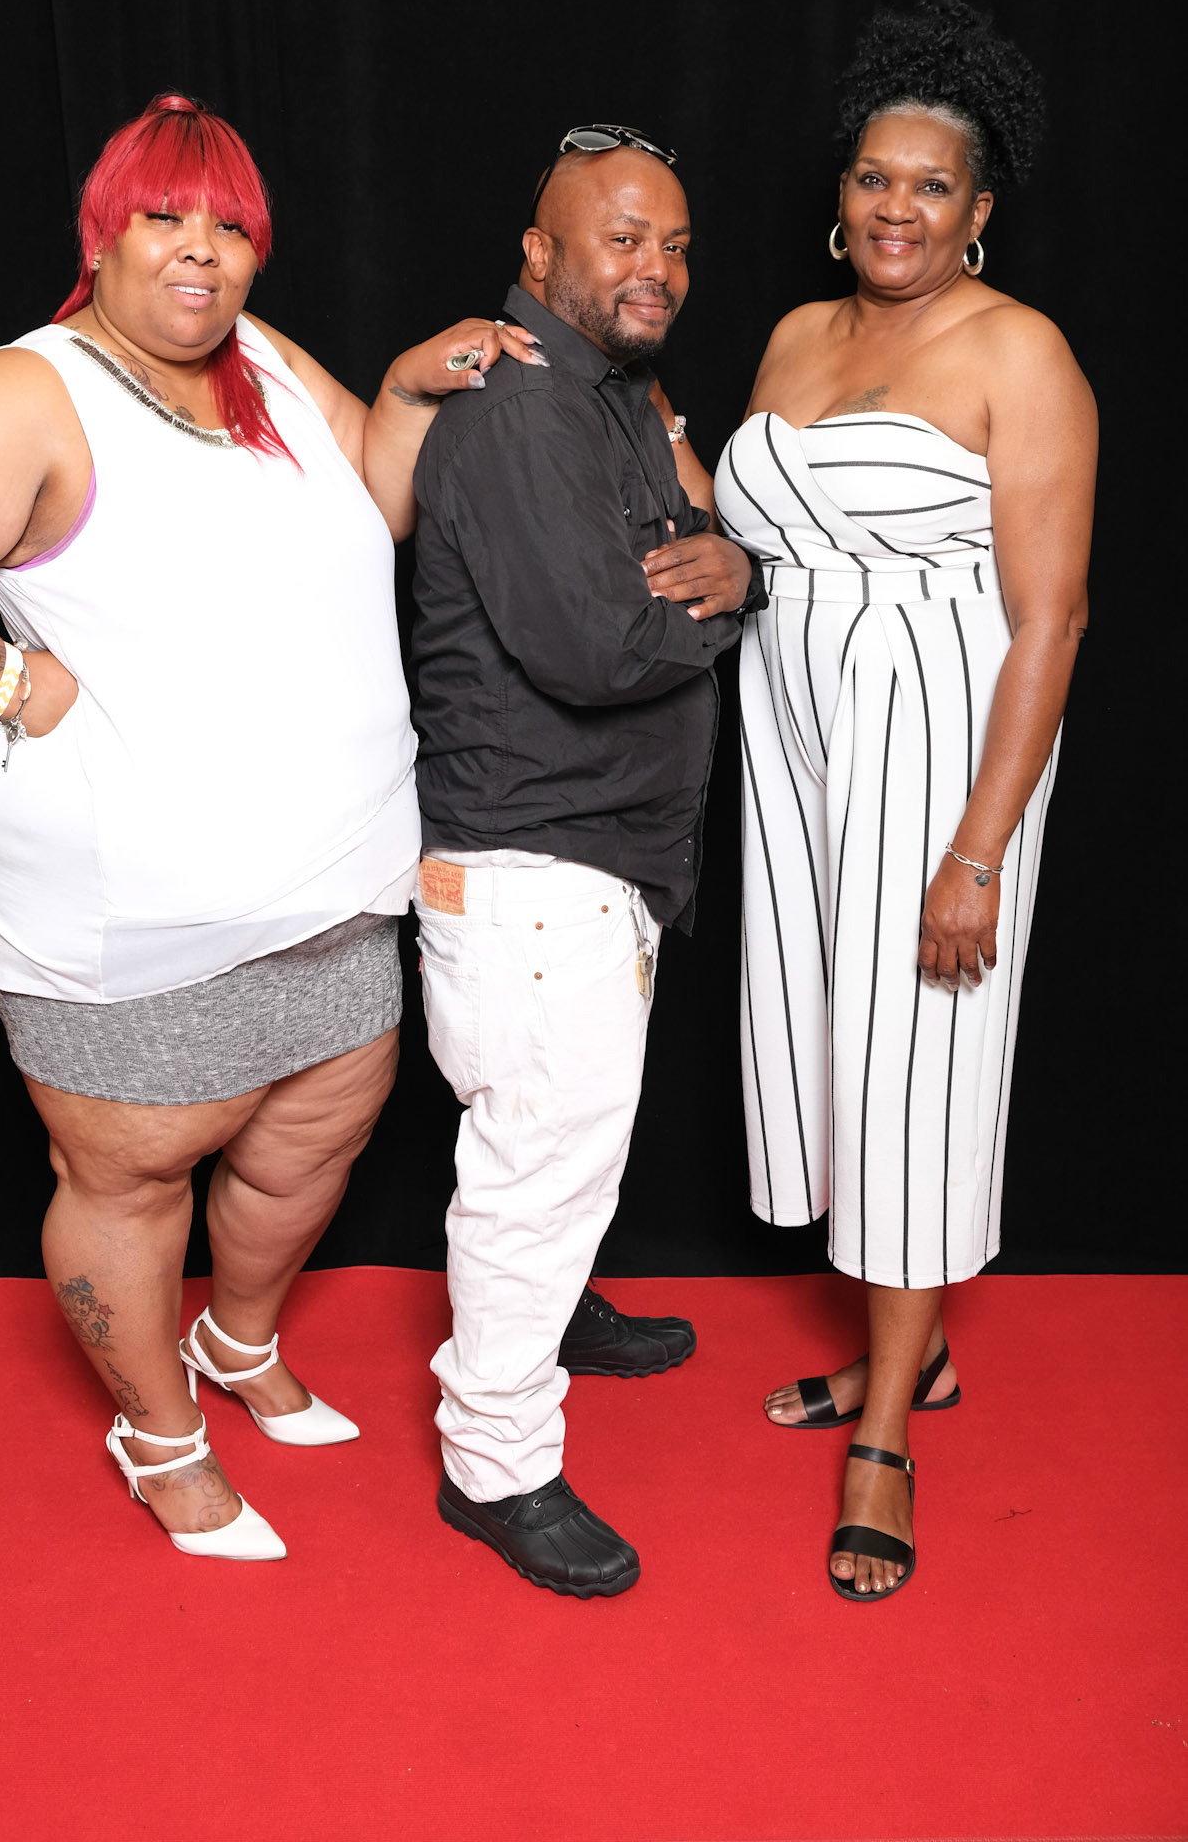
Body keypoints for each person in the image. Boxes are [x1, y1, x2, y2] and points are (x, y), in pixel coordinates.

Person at [0, 92, 537, 1562]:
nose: (201, 250)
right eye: (165, 216)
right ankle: (158, 1433)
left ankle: (237, 1341)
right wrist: (8, 681)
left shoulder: (258, 358)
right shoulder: (37, 396)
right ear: (102, 235)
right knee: (132, 1178)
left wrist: (405, 391)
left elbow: (383, 503)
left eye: (231, 226)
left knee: (314, 1135)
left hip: (338, 872)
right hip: (130, 903)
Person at [714, 2, 1096, 1599]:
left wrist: (975, 850)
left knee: (917, 1060)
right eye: (874, 177)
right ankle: (910, 1353)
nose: (895, 207)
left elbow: (1050, 620)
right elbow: (771, 539)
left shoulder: (1019, 352)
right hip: (792, 734)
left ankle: (885, 1429)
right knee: (827, 1041)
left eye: (930, 186)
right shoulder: (796, 337)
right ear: (842, 190)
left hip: (935, 738)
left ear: (977, 208)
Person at [410, 124, 759, 1597]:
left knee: (566, 1148)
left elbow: (683, 553)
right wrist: (739, 597)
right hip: (533, 877)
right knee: (534, 1173)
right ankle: (494, 1461)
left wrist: (721, 563)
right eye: (622, 238)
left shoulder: (609, 397)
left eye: (674, 243)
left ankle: (546, 1319)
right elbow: (601, 644)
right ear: (539, 252)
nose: (655, 267)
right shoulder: (521, 416)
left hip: (586, 865)